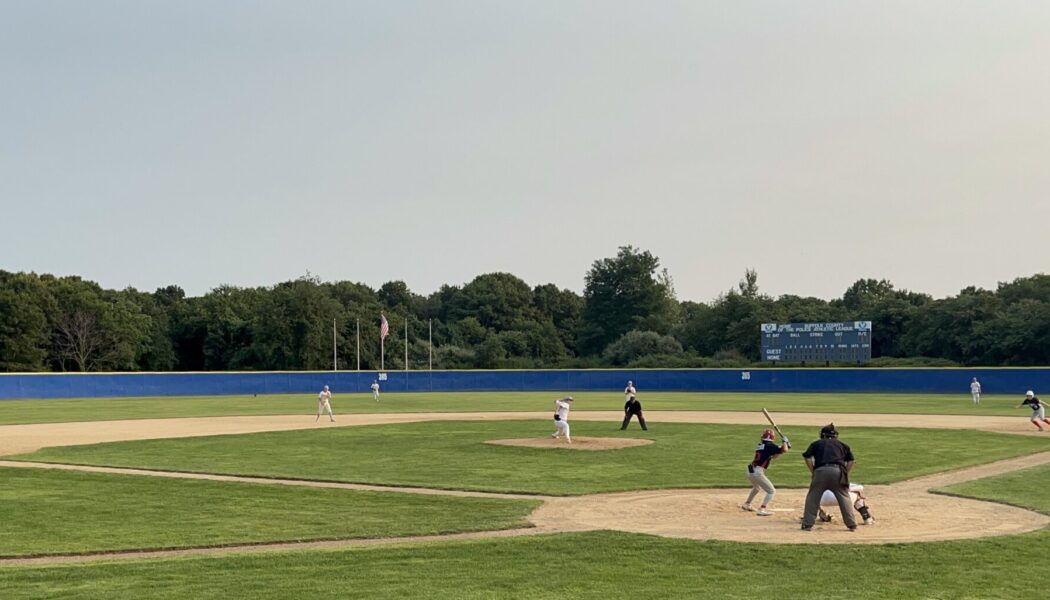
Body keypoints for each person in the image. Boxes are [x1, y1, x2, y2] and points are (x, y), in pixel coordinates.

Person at [800, 423, 857, 531]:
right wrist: (845, 472)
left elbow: (807, 457)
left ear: (823, 435)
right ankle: (851, 524)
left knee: (813, 497)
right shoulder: (843, 445)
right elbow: (851, 461)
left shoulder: (816, 444)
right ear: (836, 435)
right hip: (838, 471)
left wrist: (813, 471)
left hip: (820, 471)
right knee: (844, 497)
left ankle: (807, 524)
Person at [740, 429, 790, 517]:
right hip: (757, 472)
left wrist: (784, 446)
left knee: (756, 488)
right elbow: (784, 450)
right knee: (771, 491)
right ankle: (762, 509)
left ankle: (747, 504)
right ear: (773, 438)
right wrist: (785, 443)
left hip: (750, 470)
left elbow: (775, 456)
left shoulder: (761, 445)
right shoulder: (770, 446)